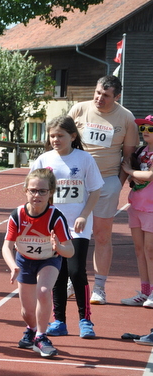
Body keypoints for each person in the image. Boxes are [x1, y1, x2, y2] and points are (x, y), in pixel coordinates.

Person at [68, 75, 139, 304]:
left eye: (106, 95)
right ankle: (71, 281)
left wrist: (117, 184)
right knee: (72, 233)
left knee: (101, 235)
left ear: (116, 97)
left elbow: (128, 156)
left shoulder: (126, 118)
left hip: (106, 180)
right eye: (98, 92)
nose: (99, 98)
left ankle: (99, 288)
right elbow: (61, 140)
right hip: (75, 181)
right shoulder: (79, 110)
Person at [31, 116, 103, 338]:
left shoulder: (84, 159)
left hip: (77, 224)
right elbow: (32, 190)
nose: (55, 139)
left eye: (60, 136)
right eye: (52, 136)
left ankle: (85, 320)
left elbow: (95, 190)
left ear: (72, 136)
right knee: (57, 274)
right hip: (52, 226)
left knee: (76, 271)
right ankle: (59, 321)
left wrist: (84, 215)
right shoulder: (43, 160)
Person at [2, 168, 74, 358]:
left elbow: (70, 251)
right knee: (27, 312)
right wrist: (13, 265)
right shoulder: (17, 215)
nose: (37, 195)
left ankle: (41, 337)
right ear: (25, 190)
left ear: (50, 193)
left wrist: (58, 247)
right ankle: (32, 329)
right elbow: (6, 246)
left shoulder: (55, 217)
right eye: (33, 190)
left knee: (43, 291)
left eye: (42, 191)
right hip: (24, 261)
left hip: (49, 260)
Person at [120, 115, 153, 308]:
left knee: (150, 251)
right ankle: (145, 291)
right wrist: (134, 176)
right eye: (143, 128)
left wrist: (131, 172)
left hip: (151, 209)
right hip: (136, 206)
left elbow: (149, 175)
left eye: (150, 129)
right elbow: (136, 177)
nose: (146, 132)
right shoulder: (140, 151)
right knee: (139, 250)